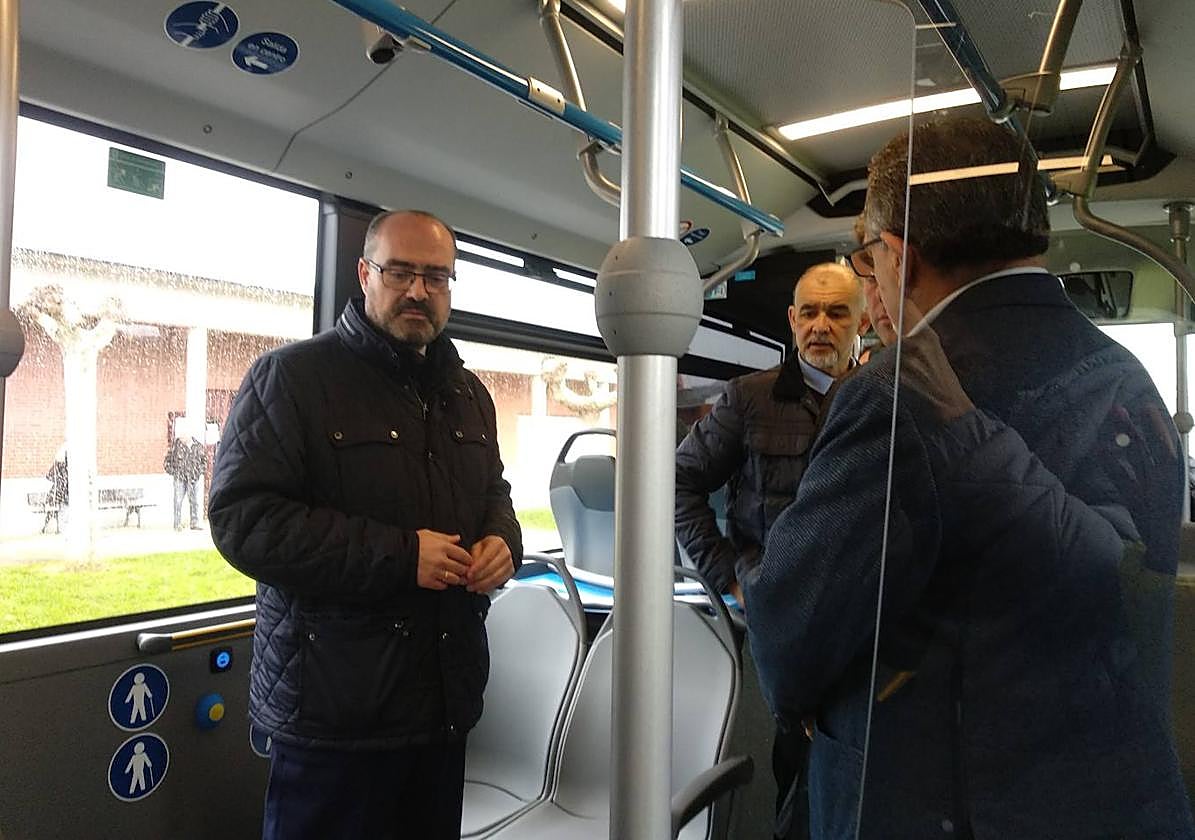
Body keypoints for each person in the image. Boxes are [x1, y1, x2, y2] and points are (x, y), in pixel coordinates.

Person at [745, 116, 1194, 838]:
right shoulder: (1126, 375)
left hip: (934, 798)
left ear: (899, 256)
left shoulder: (904, 391)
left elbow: (791, 631)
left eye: (868, 263)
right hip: (1110, 789)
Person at [208, 209, 522, 840]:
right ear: (363, 274)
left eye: (436, 277)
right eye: (399, 272)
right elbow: (244, 520)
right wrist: (401, 556)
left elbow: (494, 492)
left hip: (442, 707)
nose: (418, 291)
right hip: (334, 718)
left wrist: (502, 542)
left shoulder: (468, 395)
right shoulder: (292, 378)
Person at [675, 261, 867, 840]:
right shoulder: (749, 399)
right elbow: (678, 482)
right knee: (795, 780)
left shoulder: (886, 401)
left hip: (864, 623)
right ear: (791, 320)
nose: (820, 325)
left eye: (837, 313)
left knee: (860, 779)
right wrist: (733, 579)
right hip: (780, 619)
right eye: (809, 312)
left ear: (862, 323)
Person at [164, 426, 206, 530]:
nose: (181, 438)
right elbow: (167, 461)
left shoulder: (198, 446)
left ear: (189, 435)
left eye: (183, 436)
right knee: (178, 501)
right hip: (180, 478)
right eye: (180, 436)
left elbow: (204, 461)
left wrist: (199, 472)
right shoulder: (176, 447)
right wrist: (173, 472)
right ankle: (177, 524)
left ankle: (194, 523)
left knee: (195, 501)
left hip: (193, 478)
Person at [43, 445, 68, 534]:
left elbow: (49, 476)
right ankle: (48, 527)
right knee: (55, 509)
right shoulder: (59, 467)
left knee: (59, 510)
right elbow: (49, 476)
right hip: (59, 492)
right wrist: (58, 479)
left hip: (63, 492)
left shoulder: (67, 467)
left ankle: (56, 528)